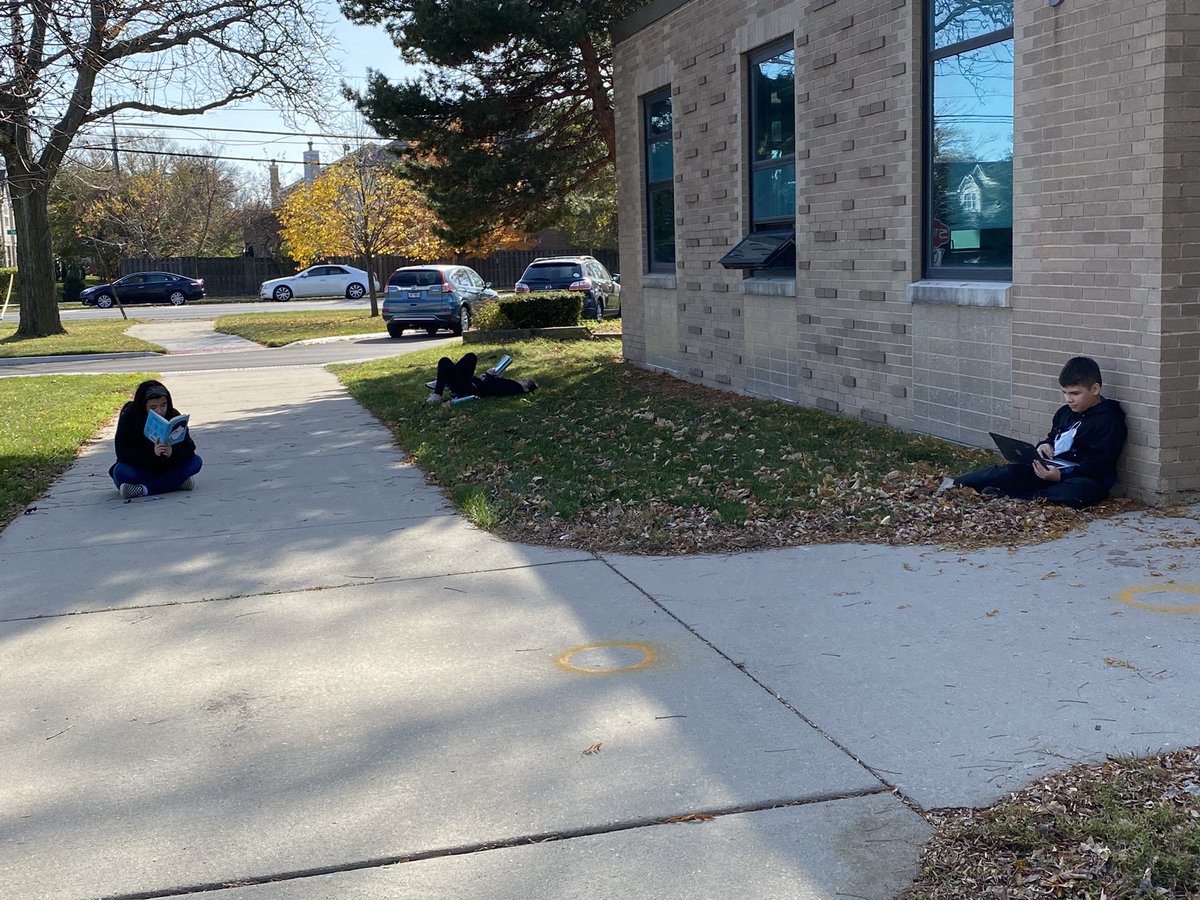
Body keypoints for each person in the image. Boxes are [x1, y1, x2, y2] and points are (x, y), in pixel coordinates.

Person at [944, 357, 1126, 509]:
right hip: (1050, 469)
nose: (1068, 399)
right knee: (1007, 471)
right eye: (1064, 393)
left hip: (1085, 479)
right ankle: (952, 484)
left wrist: (1062, 475)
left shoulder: (1109, 420)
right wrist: (1044, 446)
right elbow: (1053, 438)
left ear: (1095, 389)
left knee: (1075, 493)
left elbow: (1100, 465)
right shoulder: (1065, 412)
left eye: (1075, 394)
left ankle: (1013, 495)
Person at [109, 380, 203, 499]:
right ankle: (175, 483)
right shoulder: (129, 417)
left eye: (163, 405)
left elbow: (189, 447)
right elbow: (122, 452)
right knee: (120, 472)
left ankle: (143, 490)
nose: (159, 411)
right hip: (141, 467)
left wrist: (172, 452)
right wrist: (152, 454)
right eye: (153, 407)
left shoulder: (173, 416)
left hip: (168, 466)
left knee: (196, 462)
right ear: (144, 406)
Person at [426, 352, 537, 404]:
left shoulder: (515, 388)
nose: (520, 379)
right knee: (471, 357)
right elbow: (493, 385)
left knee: (444, 361)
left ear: (526, 388)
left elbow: (490, 389)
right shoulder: (511, 385)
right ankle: (444, 381)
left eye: (524, 381)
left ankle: (438, 393)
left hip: (471, 388)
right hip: (472, 382)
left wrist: (489, 376)